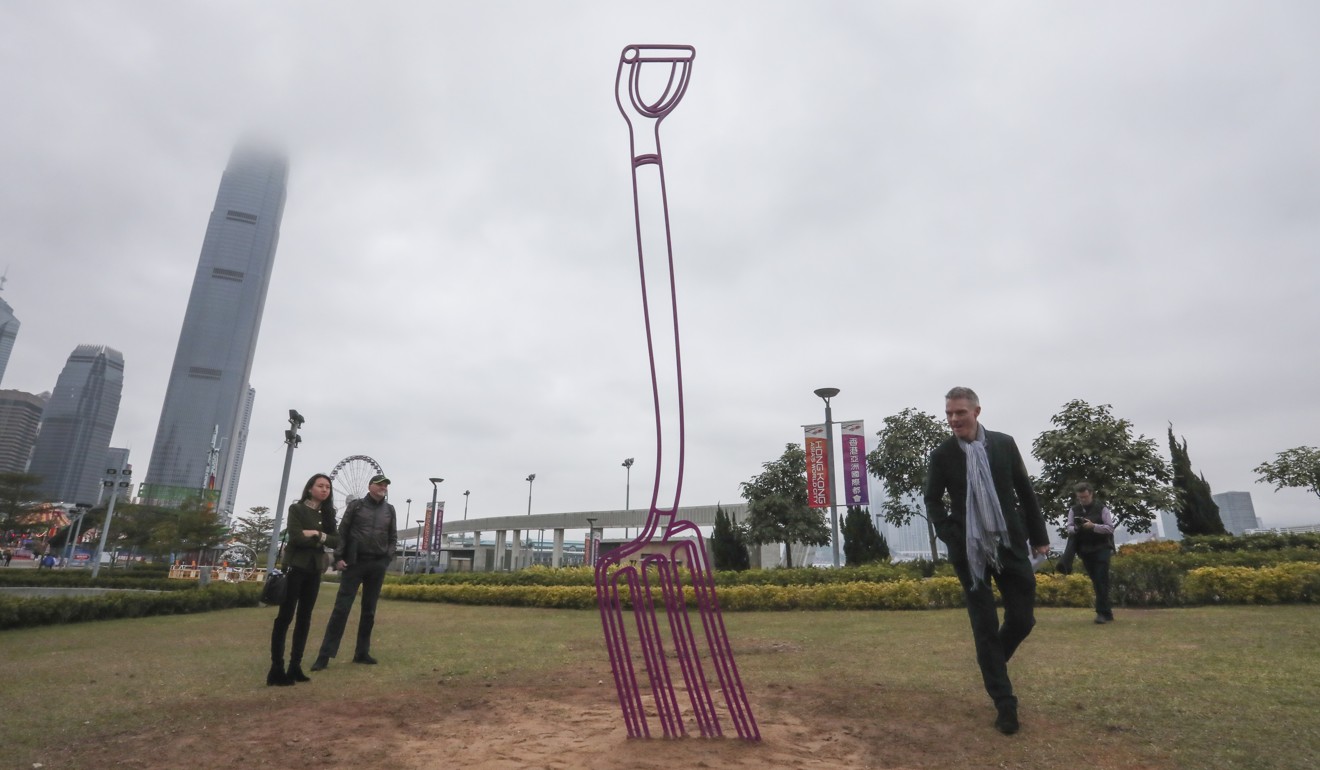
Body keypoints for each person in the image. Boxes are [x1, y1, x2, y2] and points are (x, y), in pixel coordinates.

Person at [924, 386, 1050, 736]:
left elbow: (1025, 491)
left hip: (1008, 543)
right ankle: (1005, 703)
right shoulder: (942, 455)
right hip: (970, 552)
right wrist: (952, 534)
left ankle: (993, 663)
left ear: (976, 411)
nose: (953, 420)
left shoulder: (1004, 444)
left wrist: (1039, 538)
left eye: (960, 413)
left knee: (1023, 619)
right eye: (949, 413)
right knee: (984, 626)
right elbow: (932, 500)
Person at [310, 473, 397, 671]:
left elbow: (393, 537)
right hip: (354, 563)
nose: (383, 487)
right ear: (370, 486)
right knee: (341, 609)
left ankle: (362, 652)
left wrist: (386, 558)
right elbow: (343, 532)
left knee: (369, 611)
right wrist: (339, 557)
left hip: (377, 565)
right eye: (379, 484)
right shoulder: (356, 506)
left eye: (385, 485)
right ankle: (324, 655)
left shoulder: (389, 510)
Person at [267, 473, 339, 686]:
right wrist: (319, 539)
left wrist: (317, 534)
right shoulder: (296, 509)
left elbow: (335, 540)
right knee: (285, 617)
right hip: (295, 568)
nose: (325, 490)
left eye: (328, 487)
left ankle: (295, 666)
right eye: (320, 486)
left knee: (305, 618)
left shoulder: (328, 514)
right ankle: (276, 668)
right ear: (310, 488)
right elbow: (296, 537)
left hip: (314, 570)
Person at [1066, 482, 1116, 624]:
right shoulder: (1073, 510)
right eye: (1080, 497)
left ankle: (1101, 613)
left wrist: (1093, 526)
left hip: (1102, 548)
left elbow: (1109, 528)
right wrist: (1076, 527)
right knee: (1097, 581)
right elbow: (1069, 527)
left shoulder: (1102, 508)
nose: (1083, 500)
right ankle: (1107, 612)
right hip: (1085, 550)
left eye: (1085, 497)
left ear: (1091, 494)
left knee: (1101, 578)